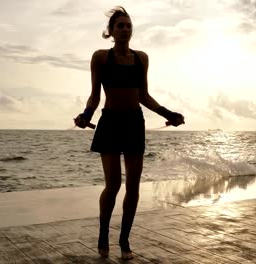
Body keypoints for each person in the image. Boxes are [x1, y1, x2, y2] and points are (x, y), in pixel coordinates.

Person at [74, 6, 184, 260]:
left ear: (131, 30)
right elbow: (94, 95)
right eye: (119, 26)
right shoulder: (101, 57)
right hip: (110, 122)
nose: (124, 29)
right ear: (111, 31)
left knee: (133, 186)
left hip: (134, 122)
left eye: (128, 25)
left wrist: (169, 115)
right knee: (113, 185)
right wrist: (86, 116)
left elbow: (144, 95)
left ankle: (124, 240)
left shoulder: (141, 58)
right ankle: (103, 234)